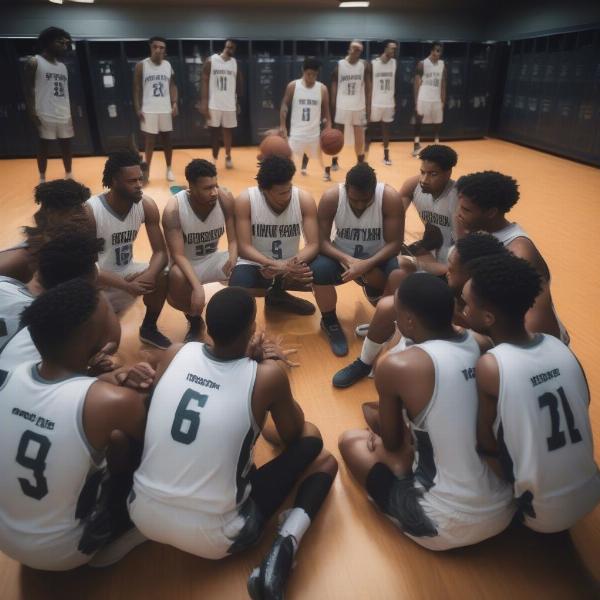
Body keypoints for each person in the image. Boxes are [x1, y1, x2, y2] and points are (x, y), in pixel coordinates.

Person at [129, 287, 338, 598]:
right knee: (318, 450)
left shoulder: (175, 353)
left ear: (209, 328)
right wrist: (276, 372)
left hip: (140, 513)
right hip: (219, 539)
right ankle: (286, 544)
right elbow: (293, 435)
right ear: (252, 329)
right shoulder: (266, 376)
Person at [339, 273, 514, 550]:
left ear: (408, 321)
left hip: (442, 524)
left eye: (398, 314)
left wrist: (384, 435)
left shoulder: (396, 365)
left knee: (351, 441)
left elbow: (393, 442)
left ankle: (404, 493)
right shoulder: (482, 343)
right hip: (506, 507)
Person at [0, 279, 149, 571]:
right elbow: (156, 443)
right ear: (101, 340)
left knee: (111, 440)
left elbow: (64, 395)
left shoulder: (10, 376)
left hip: (7, 541)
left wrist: (102, 376)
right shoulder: (110, 403)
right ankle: (121, 530)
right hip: (68, 551)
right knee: (139, 440)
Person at [463, 253, 600, 533]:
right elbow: (582, 402)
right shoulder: (557, 345)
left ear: (488, 316)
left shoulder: (492, 366)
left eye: (466, 305)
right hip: (591, 489)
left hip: (542, 516)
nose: (462, 311)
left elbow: (485, 441)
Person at [333, 232, 506, 388]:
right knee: (390, 299)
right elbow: (435, 272)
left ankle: (392, 340)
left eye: (452, 267)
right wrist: (413, 263)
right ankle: (364, 362)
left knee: (389, 360)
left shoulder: (483, 304)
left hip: (448, 358)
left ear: (470, 274)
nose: (448, 271)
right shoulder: (457, 284)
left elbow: (474, 340)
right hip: (432, 331)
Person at [456, 171, 568, 343]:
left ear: (491, 212)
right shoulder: (474, 229)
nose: (458, 213)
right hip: (496, 324)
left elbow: (534, 319)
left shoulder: (519, 252)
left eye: (466, 209)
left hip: (533, 340)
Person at [311, 162, 404, 356]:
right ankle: (329, 321)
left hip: (377, 257)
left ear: (374, 190)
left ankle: (386, 324)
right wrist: (347, 259)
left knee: (398, 273)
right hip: (340, 256)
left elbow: (395, 244)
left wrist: (366, 265)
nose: (360, 205)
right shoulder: (332, 197)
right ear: (346, 189)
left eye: (366, 200)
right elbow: (321, 241)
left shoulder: (389, 197)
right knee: (317, 269)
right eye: (354, 200)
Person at [85, 151, 171, 349]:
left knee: (164, 273)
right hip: (95, 280)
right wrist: (126, 286)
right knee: (101, 345)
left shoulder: (146, 205)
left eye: (140, 179)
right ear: (115, 181)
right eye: (132, 181)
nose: (139, 184)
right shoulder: (91, 211)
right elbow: (87, 267)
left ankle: (149, 328)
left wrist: (150, 274)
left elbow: (160, 252)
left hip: (126, 272)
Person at [229, 155, 319, 316]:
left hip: (291, 263)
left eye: (289, 189)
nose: (287, 195)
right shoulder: (246, 200)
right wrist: (270, 263)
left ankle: (277, 296)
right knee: (237, 287)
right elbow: (244, 247)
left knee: (322, 272)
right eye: (281, 193)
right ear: (264, 190)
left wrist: (288, 265)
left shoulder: (304, 199)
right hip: (256, 263)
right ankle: (246, 324)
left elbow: (313, 244)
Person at [163, 159, 237, 342]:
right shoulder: (174, 209)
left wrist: (233, 259)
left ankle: (234, 319)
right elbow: (178, 255)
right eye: (207, 188)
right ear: (191, 187)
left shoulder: (225, 198)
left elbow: (234, 240)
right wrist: (197, 287)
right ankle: (194, 320)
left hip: (213, 258)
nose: (214, 192)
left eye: (215, 185)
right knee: (177, 276)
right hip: (187, 264)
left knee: (243, 265)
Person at [0, 179, 91, 286]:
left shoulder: (67, 243)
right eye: (76, 208)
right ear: (51, 212)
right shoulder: (20, 260)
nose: (84, 214)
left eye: (83, 205)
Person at [23, 27, 74, 183]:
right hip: (44, 111)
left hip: (63, 112)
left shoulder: (63, 67)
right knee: (44, 147)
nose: (64, 46)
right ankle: (42, 179)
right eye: (60, 42)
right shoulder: (34, 62)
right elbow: (28, 89)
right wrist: (32, 111)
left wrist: (69, 113)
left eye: (66, 43)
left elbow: (65, 92)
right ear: (48, 42)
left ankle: (69, 175)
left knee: (66, 145)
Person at [133, 36, 178, 183]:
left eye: (162, 47)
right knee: (149, 142)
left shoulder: (168, 65)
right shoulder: (141, 65)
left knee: (167, 140)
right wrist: (138, 107)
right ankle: (147, 172)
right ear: (151, 48)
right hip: (149, 109)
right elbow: (137, 88)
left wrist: (175, 102)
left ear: (165, 50)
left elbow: (172, 85)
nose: (158, 50)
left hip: (165, 108)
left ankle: (169, 168)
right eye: (155, 47)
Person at [279, 57, 331, 181]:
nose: (311, 77)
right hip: (297, 133)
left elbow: (326, 112)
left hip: (314, 133)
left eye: (314, 74)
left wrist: (328, 127)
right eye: (309, 74)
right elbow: (284, 105)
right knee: (287, 160)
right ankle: (288, 177)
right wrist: (282, 125)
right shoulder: (293, 86)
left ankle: (327, 173)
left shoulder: (322, 89)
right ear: (303, 70)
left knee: (328, 149)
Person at [329, 40, 372, 173]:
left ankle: (360, 161)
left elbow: (368, 88)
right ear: (348, 49)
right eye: (353, 48)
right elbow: (334, 85)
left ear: (361, 52)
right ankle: (334, 161)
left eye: (358, 49)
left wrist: (369, 106)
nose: (355, 51)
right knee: (337, 135)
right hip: (342, 104)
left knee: (359, 135)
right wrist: (333, 104)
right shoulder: (340, 65)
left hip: (358, 106)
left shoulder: (364, 65)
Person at [200, 39, 243, 169]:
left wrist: (237, 102)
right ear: (225, 46)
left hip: (229, 104)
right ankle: (214, 158)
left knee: (228, 132)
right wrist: (204, 102)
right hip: (214, 103)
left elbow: (238, 85)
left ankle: (228, 156)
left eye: (233, 48)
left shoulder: (234, 63)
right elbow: (204, 82)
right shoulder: (211, 60)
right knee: (214, 133)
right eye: (228, 47)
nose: (230, 49)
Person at [413, 42, 446, 157]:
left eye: (440, 51)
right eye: (436, 50)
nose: (438, 53)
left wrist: (443, 99)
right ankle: (416, 144)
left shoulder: (442, 64)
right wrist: (416, 100)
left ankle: (436, 143)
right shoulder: (422, 64)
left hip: (436, 97)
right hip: (424, 96)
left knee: (437, 121)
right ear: (431, 51)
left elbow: (443, 83)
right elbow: (417, 83)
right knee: (419, 120)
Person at [369, 40, 398, 166]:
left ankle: (386, 156)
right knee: (368, 130)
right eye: (392, 48)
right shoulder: (374, 63)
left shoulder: (394, 63)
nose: (394, 51)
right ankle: (363, 158)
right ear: (385, 48)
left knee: (386, 130)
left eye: (395, 49)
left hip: (388, 102)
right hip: (375, 101)